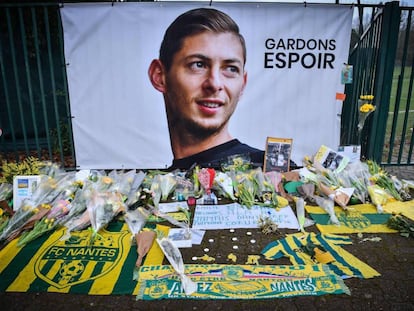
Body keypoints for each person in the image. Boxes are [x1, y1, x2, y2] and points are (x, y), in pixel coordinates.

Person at [148, 7, 264, 171]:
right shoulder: (148, 187)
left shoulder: (271, 175)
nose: (214, 84)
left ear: (243, 84)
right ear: (159, 76)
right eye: (198, 65)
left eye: (230, 69)